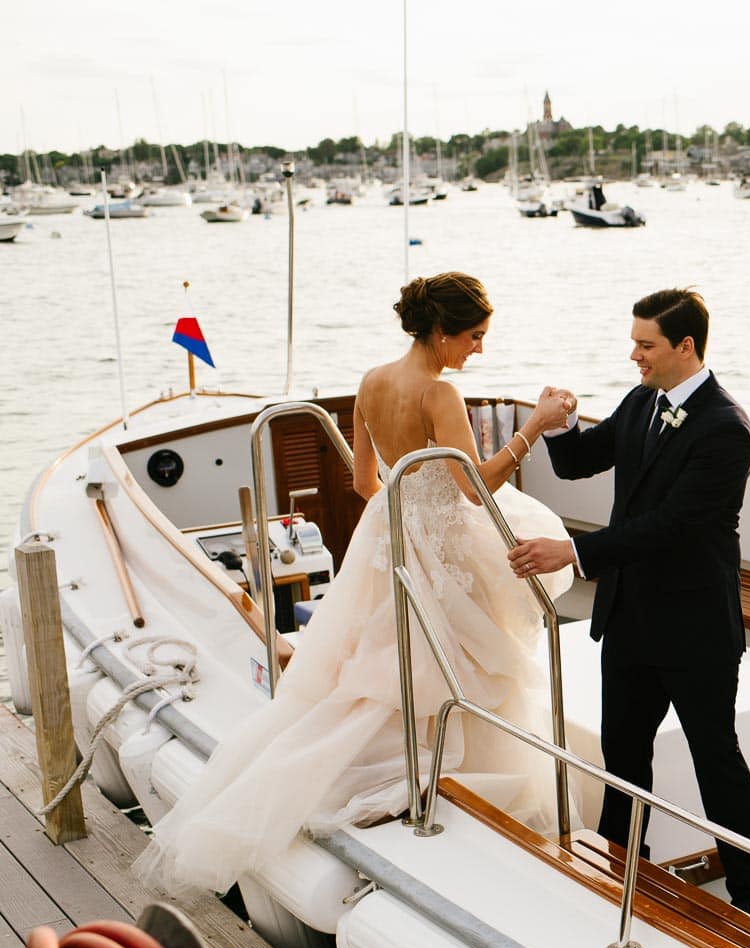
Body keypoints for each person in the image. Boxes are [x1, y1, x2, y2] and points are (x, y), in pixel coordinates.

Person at [137, 272, 576, 895]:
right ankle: (438, 778)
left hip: (387, 534)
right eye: (474, 337)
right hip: (440, 541)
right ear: (443, 332)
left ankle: (399, 761)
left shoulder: (371, 382)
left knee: (388, 658)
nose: (479, 350)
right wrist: (534, 425)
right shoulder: (439, 395)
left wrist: (407, 519)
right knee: (452, 653)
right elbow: (473, 488)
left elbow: (365, 481)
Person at [507, 288, 750, 921]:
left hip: (694, 629)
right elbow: (576, 466)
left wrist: (571, 552)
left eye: (645, 344)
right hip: (630, 618)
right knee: (624, 756)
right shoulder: (641, 402)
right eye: (633, 342)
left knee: (718, 764)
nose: (634, 354)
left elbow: (673, 525)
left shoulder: (724, 428)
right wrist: (561, 422)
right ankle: (621, 869)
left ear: (686, 346)